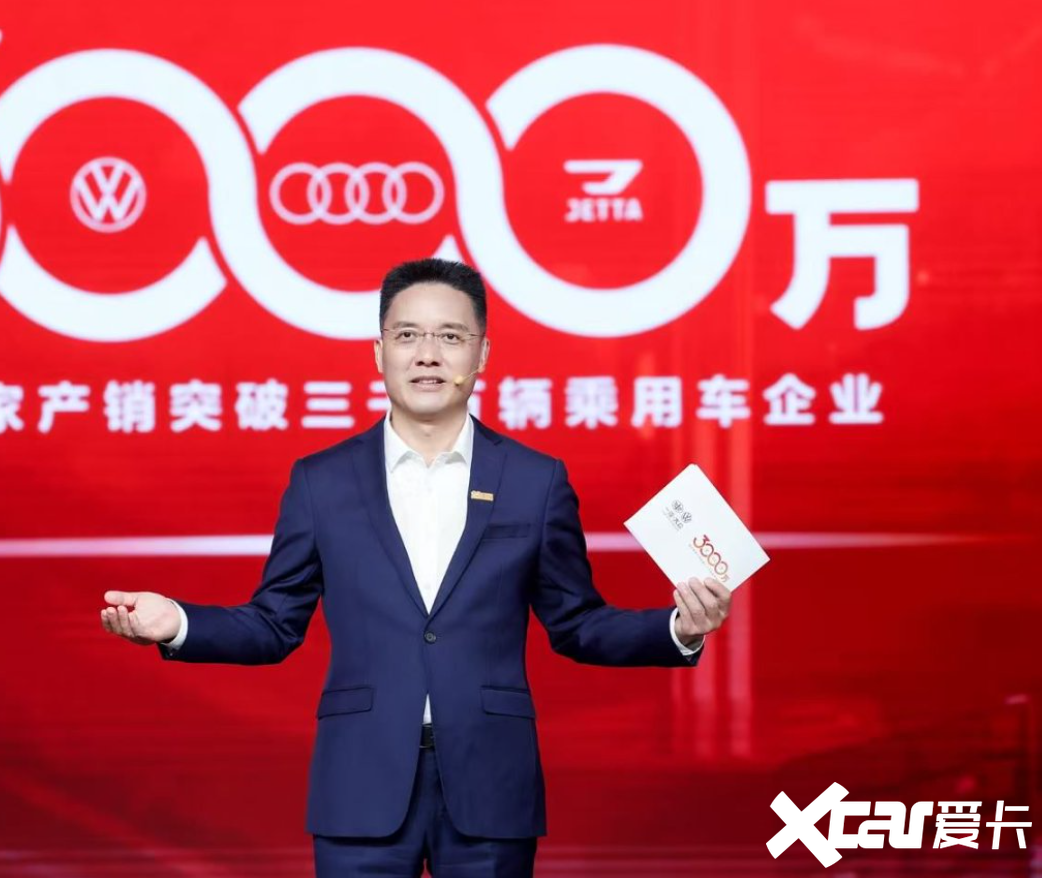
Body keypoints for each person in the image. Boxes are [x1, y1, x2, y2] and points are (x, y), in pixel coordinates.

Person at [99, 257, 731, 876]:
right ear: (379, 353)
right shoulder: (321, 482)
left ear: (482, 354)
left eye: (450, 337)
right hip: (360, 779)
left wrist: (678, 629)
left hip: (491, 780)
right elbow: (273, 625)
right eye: (407, 336)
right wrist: (179, 622)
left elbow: (578, 624)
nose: (427, 355)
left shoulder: (535, 481)